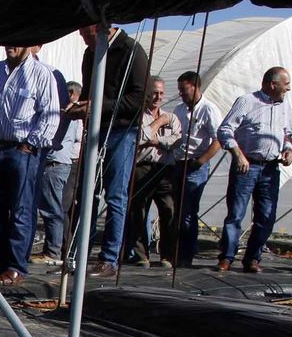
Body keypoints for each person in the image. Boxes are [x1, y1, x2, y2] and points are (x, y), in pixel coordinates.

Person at [0, 44, 61, 284]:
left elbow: (50, 114)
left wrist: (30, 145)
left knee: (21, 210)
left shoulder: (41, 74)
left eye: (17, 40)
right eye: (7, 40)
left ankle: (15, 265)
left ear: (30, 45)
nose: (11, 45)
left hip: (22, 151)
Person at [67, 23, 149, 277]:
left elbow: (139, 99)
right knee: (86, 194)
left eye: (86, 33)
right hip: (97, 130)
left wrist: (99, 106)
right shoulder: (91, 53)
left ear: (102, 28)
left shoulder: (132, 51)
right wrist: (82, 108)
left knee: (116, 196)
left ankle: (109, 258)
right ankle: (79, 251)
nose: (84, 39)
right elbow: (90, 91)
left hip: (122, 131)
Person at [215, 66, 292, 273]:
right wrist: (238, 154)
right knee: (236, 213)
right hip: (247, 165)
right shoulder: (247, 102)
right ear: (272, 84)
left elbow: (287, 134)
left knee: (266, 215)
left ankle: (253, 258)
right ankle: (227, 257)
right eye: (285, 85)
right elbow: (225, 130)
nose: (288, 89)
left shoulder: (285, 106)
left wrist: (288, 149)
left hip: (270, 168)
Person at [121, 77, 181, 267]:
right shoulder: (139, 116)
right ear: (147, 93)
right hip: (143, 166)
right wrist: (159, 124)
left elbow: (178, 140)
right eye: (155, 92)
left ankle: (167, 256)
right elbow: (139, 138)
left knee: (169, 211)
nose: (158, 97)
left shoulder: (171, 117)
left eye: (161, 93)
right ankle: (141, 255)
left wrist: (155, 140)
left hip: (165, 168)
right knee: (139, 211)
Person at [170, 70, 222, 268]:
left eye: (184, 90)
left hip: (195, 165)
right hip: (179, 162)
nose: (181, 94)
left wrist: (200, 161)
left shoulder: (209, 109)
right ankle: (176, 251)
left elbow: (218, 140)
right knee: (178, 210)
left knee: (189, 212)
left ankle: (186, 254)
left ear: (195, 86)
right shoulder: (179, 109)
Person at [36, 80, 82, 263]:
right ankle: (54, 248)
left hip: (56, 163)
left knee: (53, 208)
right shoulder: (67, 113)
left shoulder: (69, 114)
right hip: (57, 163)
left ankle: (52, 251)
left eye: (70, 92)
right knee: (52, 207)